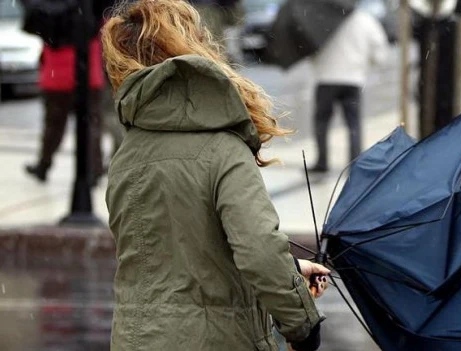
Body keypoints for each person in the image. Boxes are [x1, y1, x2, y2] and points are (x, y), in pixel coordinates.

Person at [101, 1, 328, 350]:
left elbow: (177, 257)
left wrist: (292, 268)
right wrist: (302, 325)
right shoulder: (223, 148)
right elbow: (259, 249)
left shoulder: (129, 154)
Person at [23, 10, 105, 183]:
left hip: (57, 73)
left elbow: (33, 25)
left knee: (53, 125)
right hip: (88, 69)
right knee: (91, 123)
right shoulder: (90, 9)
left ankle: (44, 165)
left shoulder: (52, 9)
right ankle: (95, 168)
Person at [309, 7, 389, 173]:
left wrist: (317, 63)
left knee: (322, 123)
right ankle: (354, 163)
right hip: (353, 80)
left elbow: (310, 47)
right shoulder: (364, 20)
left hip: (326, 79)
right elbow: (380, 51)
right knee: (353, 124)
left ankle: (322, 162)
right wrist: (365, 65)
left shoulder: (321, 19)